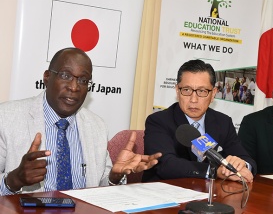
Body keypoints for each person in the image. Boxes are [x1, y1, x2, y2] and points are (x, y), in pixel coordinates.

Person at [0, 47, 161, 195]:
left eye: (83, 80)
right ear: (47, 77)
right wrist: (14, 180)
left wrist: (114, 176)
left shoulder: (96, 126)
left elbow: (101, 190)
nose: (74, 87)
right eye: (65, 75)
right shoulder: (6, 117)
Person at [142, 59, 256, 183]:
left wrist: (241, 165)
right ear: (177, 91)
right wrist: (213, 171)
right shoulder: (159, 121)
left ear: (213, 94)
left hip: (212, 195)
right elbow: (166, 164)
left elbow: (247, 159)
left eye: (202, 91)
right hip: (166, 194)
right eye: (186, 90)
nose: (193, 99)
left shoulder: (223, 122)